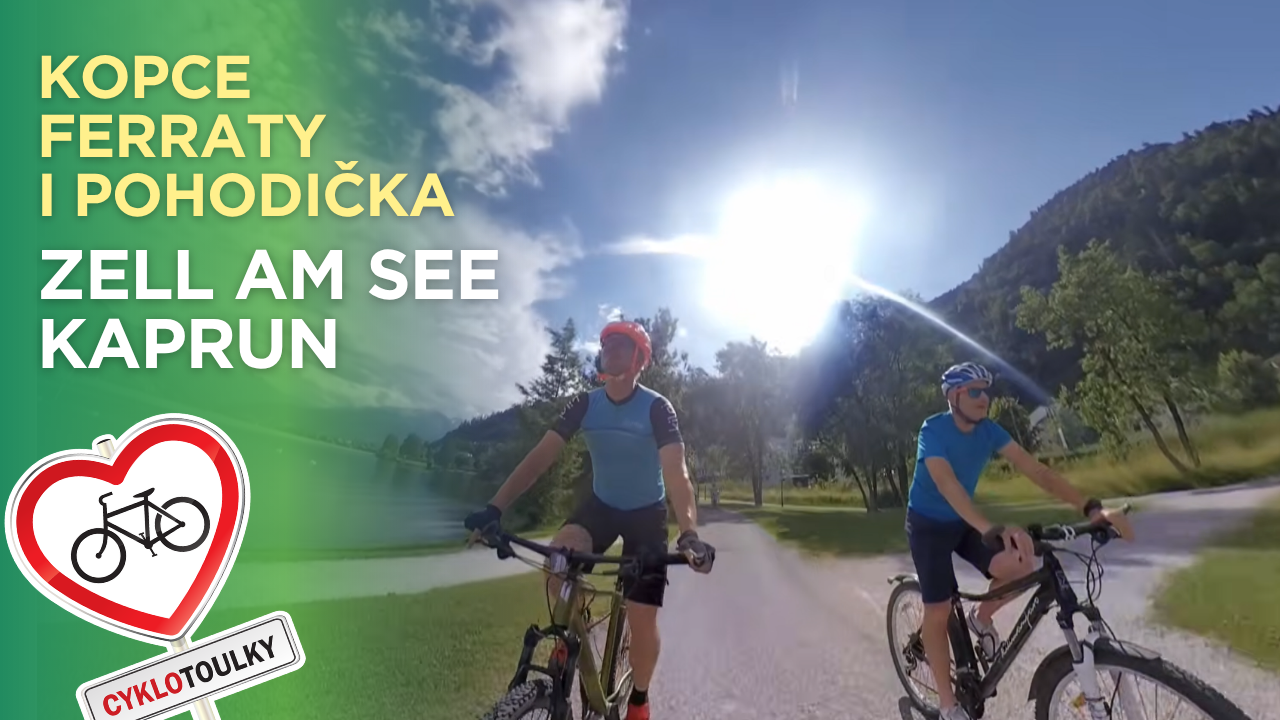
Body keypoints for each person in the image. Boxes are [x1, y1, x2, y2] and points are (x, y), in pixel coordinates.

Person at [464, 319, 715, 720]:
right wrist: (495, 508)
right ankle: (570, 637)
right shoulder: (585, 403)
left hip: (646, 514)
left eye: (621, 346)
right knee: (558, 562)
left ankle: (639, 699)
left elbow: (677, 473)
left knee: (641, 616)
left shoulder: (657, 408)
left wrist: (688, 533)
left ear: (639, 360)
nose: (610, 351)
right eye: (606, 345)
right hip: (601, 505)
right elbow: (540, 458)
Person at [906, 362, 1133, 720]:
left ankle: (981, 619)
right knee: (938, 610)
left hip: (963, 522)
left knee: (1022, 563)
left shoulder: (989, 431)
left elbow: (1038, 472)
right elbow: (947, 485)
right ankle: (948, 707)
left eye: (987, 390)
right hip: (928, 526)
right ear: (954, 396)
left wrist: (1091, 508)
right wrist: (990, 527)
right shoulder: (933, 430)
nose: (985, 398)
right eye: (975, 391)